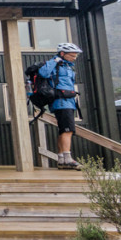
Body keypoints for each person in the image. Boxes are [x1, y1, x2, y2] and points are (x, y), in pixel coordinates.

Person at [38, 42, 83, 170]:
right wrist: (55, 60)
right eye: (72, 55)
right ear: (62, 53)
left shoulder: (68, 67)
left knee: (63, 130)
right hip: (61, 102)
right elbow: (43, 73)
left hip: (68, 102)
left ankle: (62, 159)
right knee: (67, 130)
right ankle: (68, 159)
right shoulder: (55, 63)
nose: (75, 57)